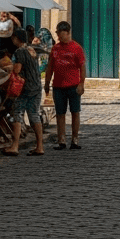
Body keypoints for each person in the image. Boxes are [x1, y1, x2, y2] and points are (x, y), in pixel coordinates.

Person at [2, 31, 45, 156]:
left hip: (25, 87)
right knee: (34, 115)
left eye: (13, 38)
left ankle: (15, 146)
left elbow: (17, 69)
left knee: (17, 113)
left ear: (17, 39)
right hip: (36, 85)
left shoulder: (19, 51)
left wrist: (8, 68)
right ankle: (40, 146)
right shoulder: (31, 49)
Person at [44, 21, 85, 150]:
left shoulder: (76, 48)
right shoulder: (55, 49)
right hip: (58, 86)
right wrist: (47, 82)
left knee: (75, 112)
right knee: (60, 113)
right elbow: (50, 67)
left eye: (61, 34)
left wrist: (81, 83)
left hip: (73, 85)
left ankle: (75, 139)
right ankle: (61, 139)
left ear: (67, 33)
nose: (59, 37)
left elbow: (82, 67)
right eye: (57, 34)